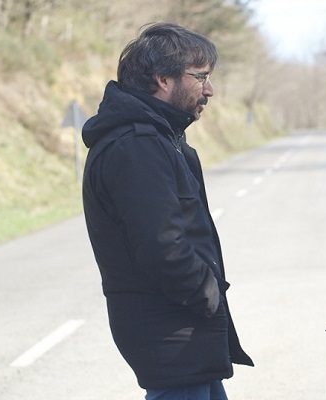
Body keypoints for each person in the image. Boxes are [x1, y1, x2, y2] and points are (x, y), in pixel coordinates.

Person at [80, 22, 253, 400]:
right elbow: (162, 247)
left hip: (184, 334)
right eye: (201, 77)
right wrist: (208, 293)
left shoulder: (159, 140)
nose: (210, 89)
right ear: (162, 78)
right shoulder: (136, 147)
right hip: (171, 335)